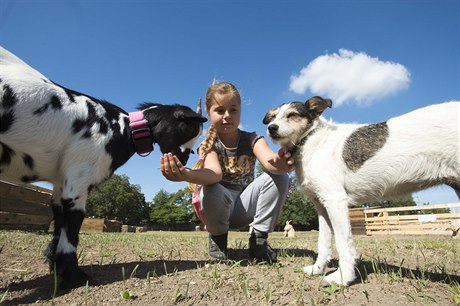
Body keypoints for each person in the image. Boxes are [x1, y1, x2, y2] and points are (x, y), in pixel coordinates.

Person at [160, 81, 294, 263]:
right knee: (213, 188)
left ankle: (259, 241)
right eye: (220, 110)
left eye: (233, 110)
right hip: (218, 208)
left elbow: (270, 161)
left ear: (240, 111)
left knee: (280, 178)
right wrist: (187, 175)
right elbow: (214, 173)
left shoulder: (252, 138)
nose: (227, 116)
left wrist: (280, 164)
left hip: (245, 208)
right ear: (208, 113)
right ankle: (218, 243)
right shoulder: (210, 145)